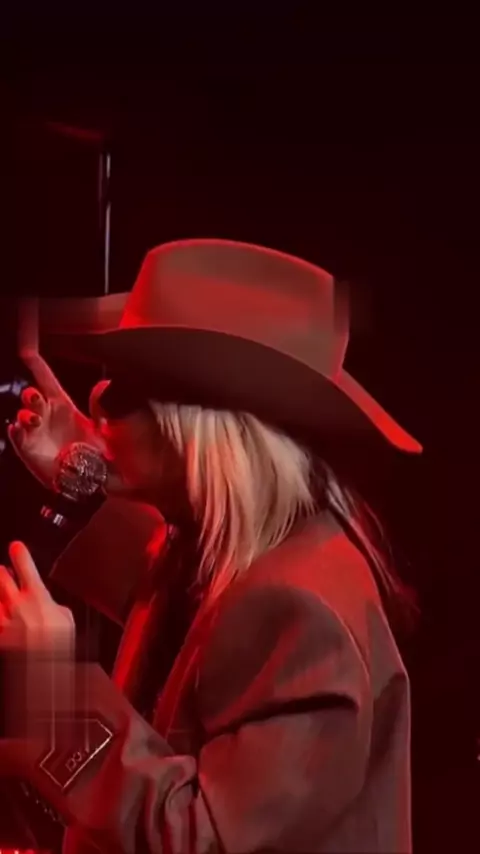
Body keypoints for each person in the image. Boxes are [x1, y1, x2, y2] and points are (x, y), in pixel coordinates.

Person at [0, 239, 421, 853]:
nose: (96, 402)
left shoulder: (304, 614)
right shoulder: (252, 546)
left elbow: (205, 840)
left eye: (126, 389)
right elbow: (195, 627)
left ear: (205, 433)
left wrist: (53, 696)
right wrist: (87, 473)